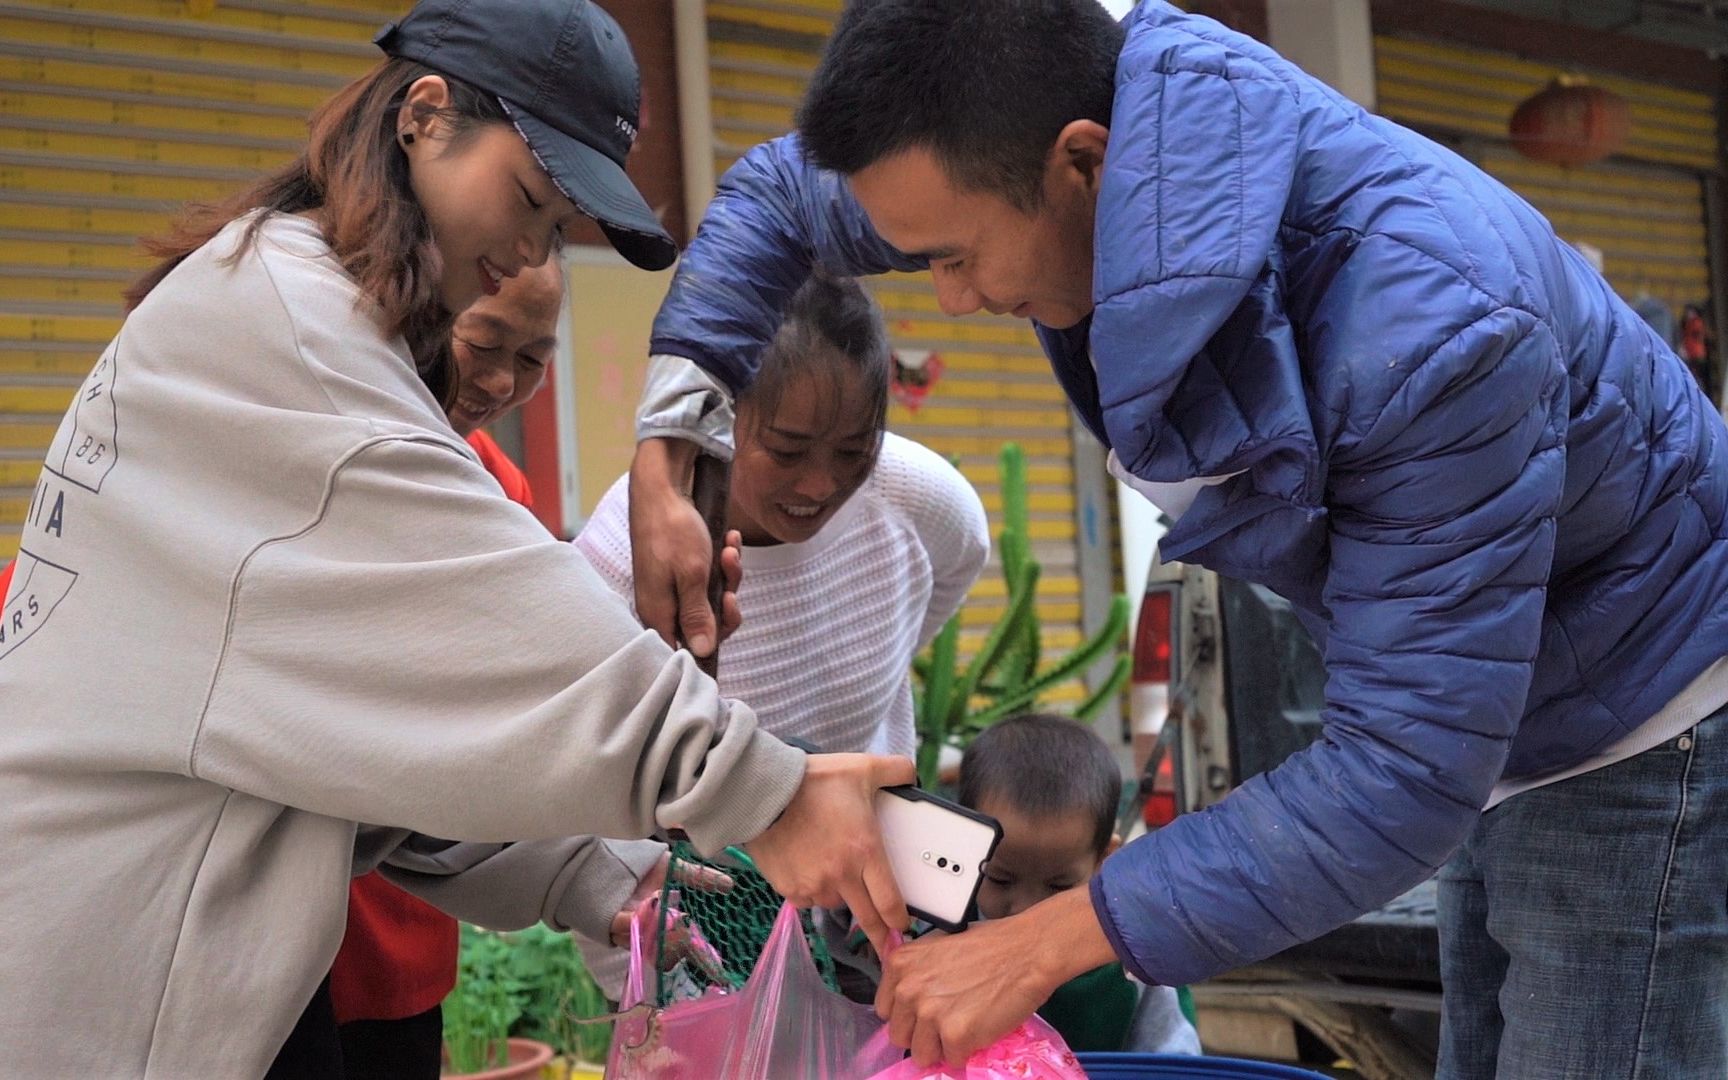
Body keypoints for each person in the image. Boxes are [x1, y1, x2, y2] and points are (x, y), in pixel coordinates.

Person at [624, 1, 1728, 1073]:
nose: (951, 301)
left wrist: (1038, 941)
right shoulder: (1042, 121)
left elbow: (1402, 764)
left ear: (1084, 164)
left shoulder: (1436, 327)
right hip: (1509, 708)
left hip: (1641, 708)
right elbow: (778, 195)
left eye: (956, 258)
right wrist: (667, 456)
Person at [0, 1, 913, 1075]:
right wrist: (758, 786)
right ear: (425, 117)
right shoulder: (294, 333)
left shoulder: (272, 295)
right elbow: (488, 616)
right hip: (111, 984)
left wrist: (597, 871)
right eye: (527, 199)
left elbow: (371, 743)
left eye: (553, 226)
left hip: (153, 951)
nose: (521, 254)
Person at [320, 261, 561, 1079]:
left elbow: (499, 714)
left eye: (534, 359)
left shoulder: (498, 492)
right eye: (484, 341)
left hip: (405, 908)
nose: (500, 381)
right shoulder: (302, 454)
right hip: (246, 918)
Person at [957, 714, 1198, 1056]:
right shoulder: (941, 935)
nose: (1027, 909)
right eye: (1001, 879)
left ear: (1104, 859)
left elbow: (1173, 1060)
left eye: (1058, 886)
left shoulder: (1131, 961)